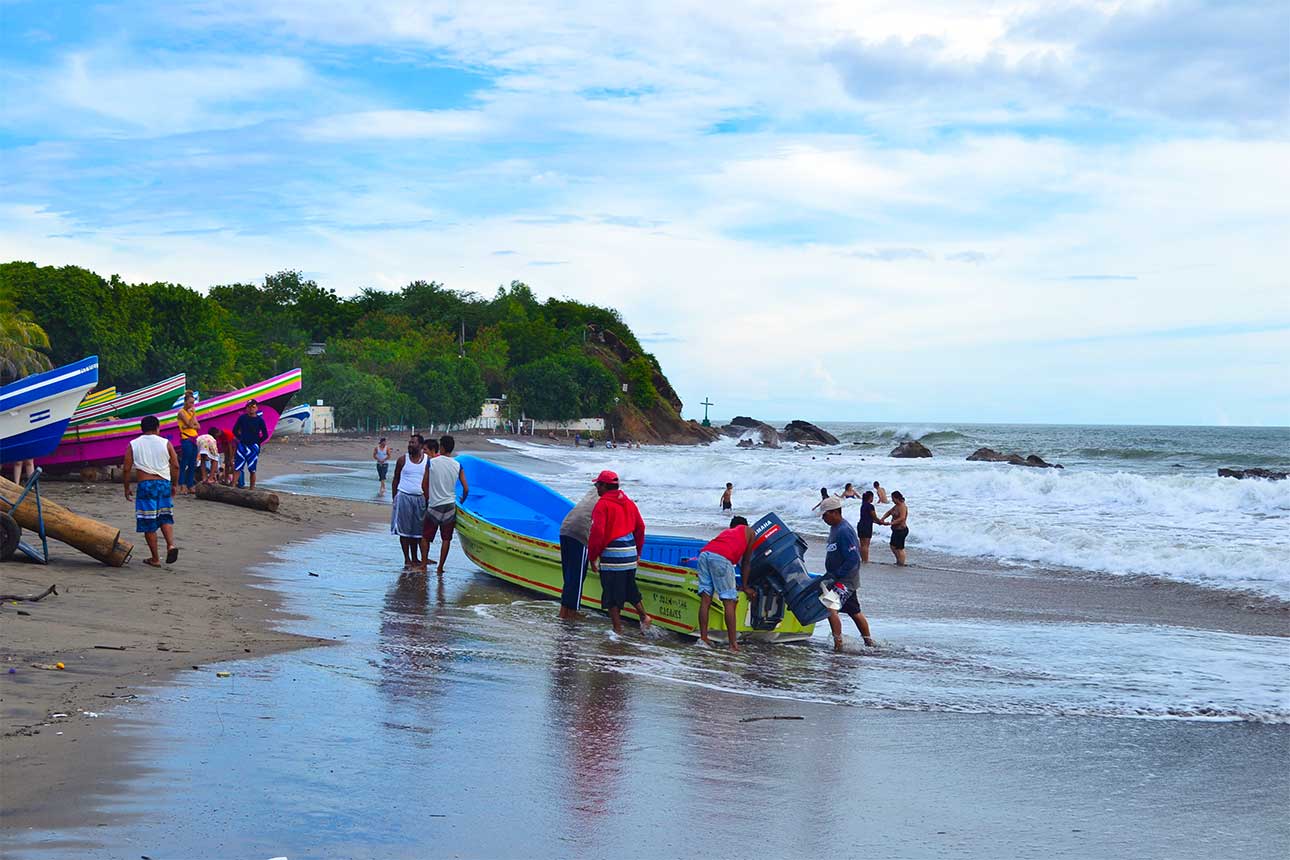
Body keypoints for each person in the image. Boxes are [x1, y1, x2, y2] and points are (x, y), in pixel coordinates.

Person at [586, 470, 650, 634]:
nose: (596, 488)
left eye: (598, 485)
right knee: (629, 587)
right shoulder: (629, 502)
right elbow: (641, 527)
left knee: (611, 594)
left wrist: (592, 557)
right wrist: (637, 552)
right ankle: (644, 617)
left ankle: (617, 629)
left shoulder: (602, 505)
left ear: (605, 486)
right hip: (629, 552)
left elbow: (597, 533)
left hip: (613, 554)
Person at [818, 497, 875, 650]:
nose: (824, 518)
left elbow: (853, 558)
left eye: (825, 515)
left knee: (830, 606)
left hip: (845, 579)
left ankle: (838, 644)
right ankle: (869, 642)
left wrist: (838, 575)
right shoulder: (834, 528)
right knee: (854, 611)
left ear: (835, 512)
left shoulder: (844, 530)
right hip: (838, 577)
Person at [123, 415, 179, 568]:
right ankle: (170, 545)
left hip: (146, 484)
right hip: (163, 483)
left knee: (149, 522)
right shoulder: (165, 443)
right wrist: (174, 484)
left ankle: (155, 558)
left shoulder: (134, 444)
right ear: (157, 428)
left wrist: (126, 488)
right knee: (165, 517)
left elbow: (126, 468)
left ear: (142, 428)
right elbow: (175, 465)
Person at [696, 515, 754, 651]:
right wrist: (745, 587)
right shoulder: (750, 531)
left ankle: (703, 638)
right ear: (746, 525)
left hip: (704, 555)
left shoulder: (727, 533)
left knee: (705, 599)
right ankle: (733, 644)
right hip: (722, 558)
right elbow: (746, 562)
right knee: (729, 601)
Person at [424, 435, 468, 575]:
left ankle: (424, 564)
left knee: (425, 537)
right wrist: (462, 500)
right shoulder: (458, 465)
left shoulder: (432, 462)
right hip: (449, 505)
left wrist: (427, 498)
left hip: (434, 504)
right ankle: (440, 567)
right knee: (446, 539)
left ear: (441, 447)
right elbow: (466, 489)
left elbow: (424, 484)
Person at [558, 486, 599, 620]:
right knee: (577, 579)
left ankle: (564, 611)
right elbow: (601, 529)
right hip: (580, 534)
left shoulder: (592, 493)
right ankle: (571, 614)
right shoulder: (607, 499)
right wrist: (594, 558)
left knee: (569, 577)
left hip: (565, 529)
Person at [390, 435, 430, 571]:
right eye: (409, 442)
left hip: (420, 498)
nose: (410, 445)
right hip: (404, 496)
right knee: (404, 531)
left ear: (420, 445)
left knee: (418, 531)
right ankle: (407, 559)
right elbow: (395, 479)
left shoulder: (427, 461)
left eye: (413, 443)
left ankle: (416, 558)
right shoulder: (402, 460)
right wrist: (394, 497)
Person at [232, 400, 269, 489]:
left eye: (253, 407)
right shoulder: (242, 418)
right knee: (238, 467)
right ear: (246, 408)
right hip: (242, 445)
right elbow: (235, 430)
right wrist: (241, 438)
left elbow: (265, 434)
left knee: (252, 469)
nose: (251, 409)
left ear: (257, 408)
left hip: (253, 447)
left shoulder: (260, 420)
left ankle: (252, 488)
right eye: (249, 407)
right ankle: (232, 486)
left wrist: (257, 442)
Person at [176, 391, 200, 495]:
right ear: (185, 402)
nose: (192, 405)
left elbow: (197, 426)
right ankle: (182, 484)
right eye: (190, 403)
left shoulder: (190, 413)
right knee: (184, 462)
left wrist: (191, 424)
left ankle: (190, 484)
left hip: (194, 438)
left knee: (192, 463)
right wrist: (193, 416)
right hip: (186, 438)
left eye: (193, 403)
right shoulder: (181, 412)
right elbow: (189, 423)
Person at [880, 491, 909, 566]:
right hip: (895, 530)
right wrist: (883, 518)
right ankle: (898, 560)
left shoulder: (902, 506)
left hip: (901, 530)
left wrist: (891, 523)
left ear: (897, 498)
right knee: (892, 546)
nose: (892, 500)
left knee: (899, 548)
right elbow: (889, 512)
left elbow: (902, 518)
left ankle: (901, 563)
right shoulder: (896, 506)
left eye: (893, 498)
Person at [857, 490, 884, 563]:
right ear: (870, 497)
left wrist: (878, 522)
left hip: (861, 525)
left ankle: (863, 559)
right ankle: (865, 560)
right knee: (866, 545)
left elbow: (868, 518)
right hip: (866, 526)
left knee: (862, 544)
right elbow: (874, 517)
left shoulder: (863, 505)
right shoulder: (870, 506)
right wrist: (881, 522)